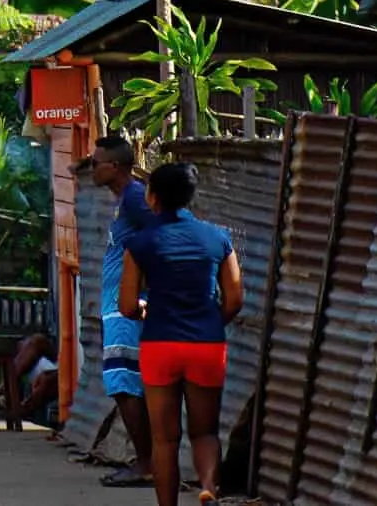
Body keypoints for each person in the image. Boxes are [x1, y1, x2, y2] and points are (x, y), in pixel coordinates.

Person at [120, 163, 242, 506]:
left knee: (165, 439)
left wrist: (145, 309)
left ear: (152, 197)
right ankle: (207, 486)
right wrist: (211, 323)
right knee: (205, 431)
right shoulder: (217, 238)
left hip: (160, 344)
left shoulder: (140, 242)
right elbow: (235, 299)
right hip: (206, 343)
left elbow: (127, 305)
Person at [85, 134, 156, 489]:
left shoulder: (134, 198)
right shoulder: (126, 200)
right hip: (121, 307)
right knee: (125, 384)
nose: (91, 169)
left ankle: (146, 464)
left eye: (96, 163)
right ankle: (146, 460)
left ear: (114, 167)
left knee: (124, 384)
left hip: (126, 310)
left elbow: (162, 237)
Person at [7, 332, 61, 437]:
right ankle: (5, 389)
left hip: (60, 373)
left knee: (47, 381)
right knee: (35, 341)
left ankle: (17, 408)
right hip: (58, 362)